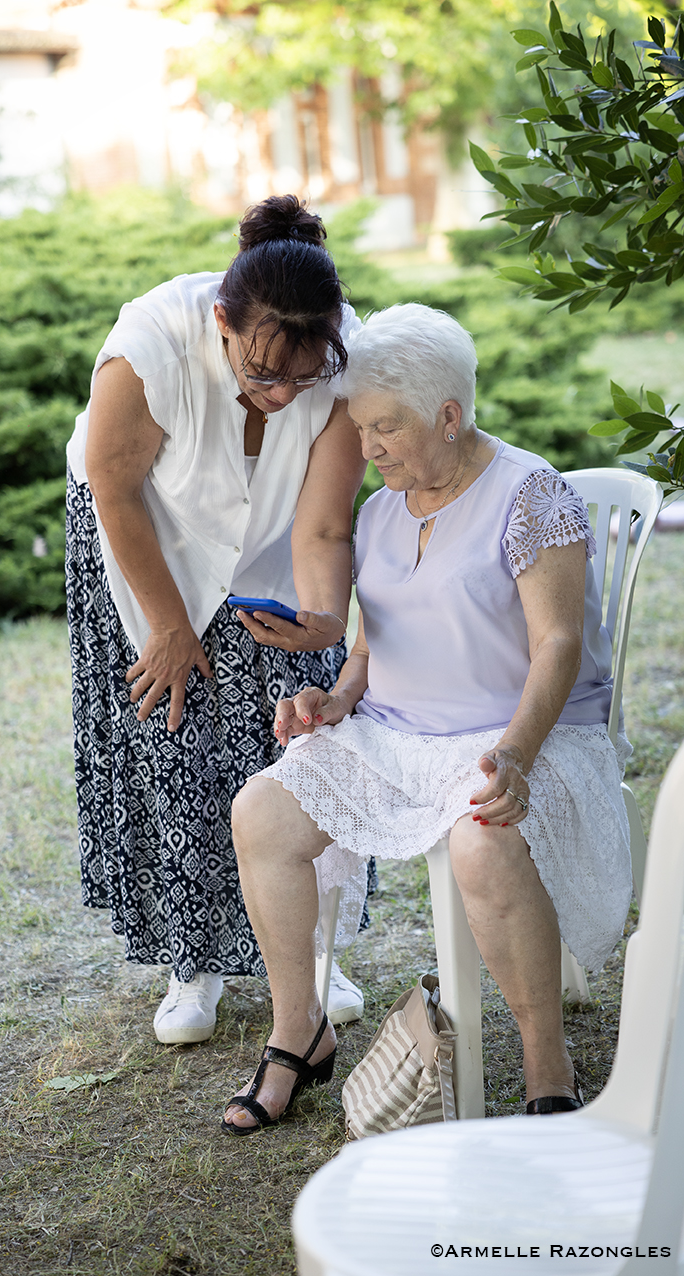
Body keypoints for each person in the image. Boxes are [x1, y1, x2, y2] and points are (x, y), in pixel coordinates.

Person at [222, 302, 633, 1133]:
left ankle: (547, 1068)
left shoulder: (531, 494)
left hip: (525, 734)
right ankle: (298, 1032)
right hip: (398, 736)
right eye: (360, 427)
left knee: (481, 835)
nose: (366, 448)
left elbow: (556, 646)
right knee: (260, 811)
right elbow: (370, 653)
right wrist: (331, 701)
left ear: (449, 416)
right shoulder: (380, 513)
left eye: (385, 428)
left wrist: (515, 753)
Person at [65, 195, 369, 1045]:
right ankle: (189, 963)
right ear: (222, 321)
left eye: (302, 377)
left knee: (299, 747)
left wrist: (323, 614)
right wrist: (168, 623)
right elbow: (115, 489)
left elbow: (325, 520)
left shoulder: (343, 358)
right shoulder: (150, 342)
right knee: (177, 727)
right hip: (143, 535)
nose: (282, 394)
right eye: (261, 372)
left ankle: (314, 953)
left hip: (276, 544)